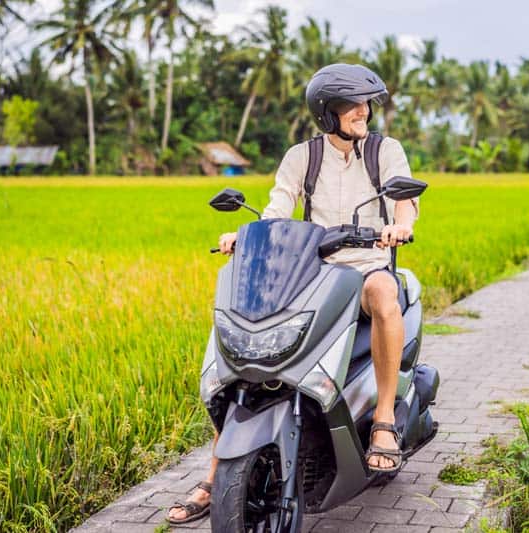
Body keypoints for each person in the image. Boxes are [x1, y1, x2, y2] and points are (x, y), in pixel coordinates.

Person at [167, 63, 419, 524]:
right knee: (252, 341)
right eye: (353, 105)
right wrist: (244, 234)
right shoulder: (302, 157)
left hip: (365, 265)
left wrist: (399, 227)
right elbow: (277, 208)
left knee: (384, 292)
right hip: (313, 266)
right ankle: (218, 468)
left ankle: (383, 422)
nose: (364, 111)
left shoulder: (386, 151)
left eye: (366, 103)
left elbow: (404, 199)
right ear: (328, 112)